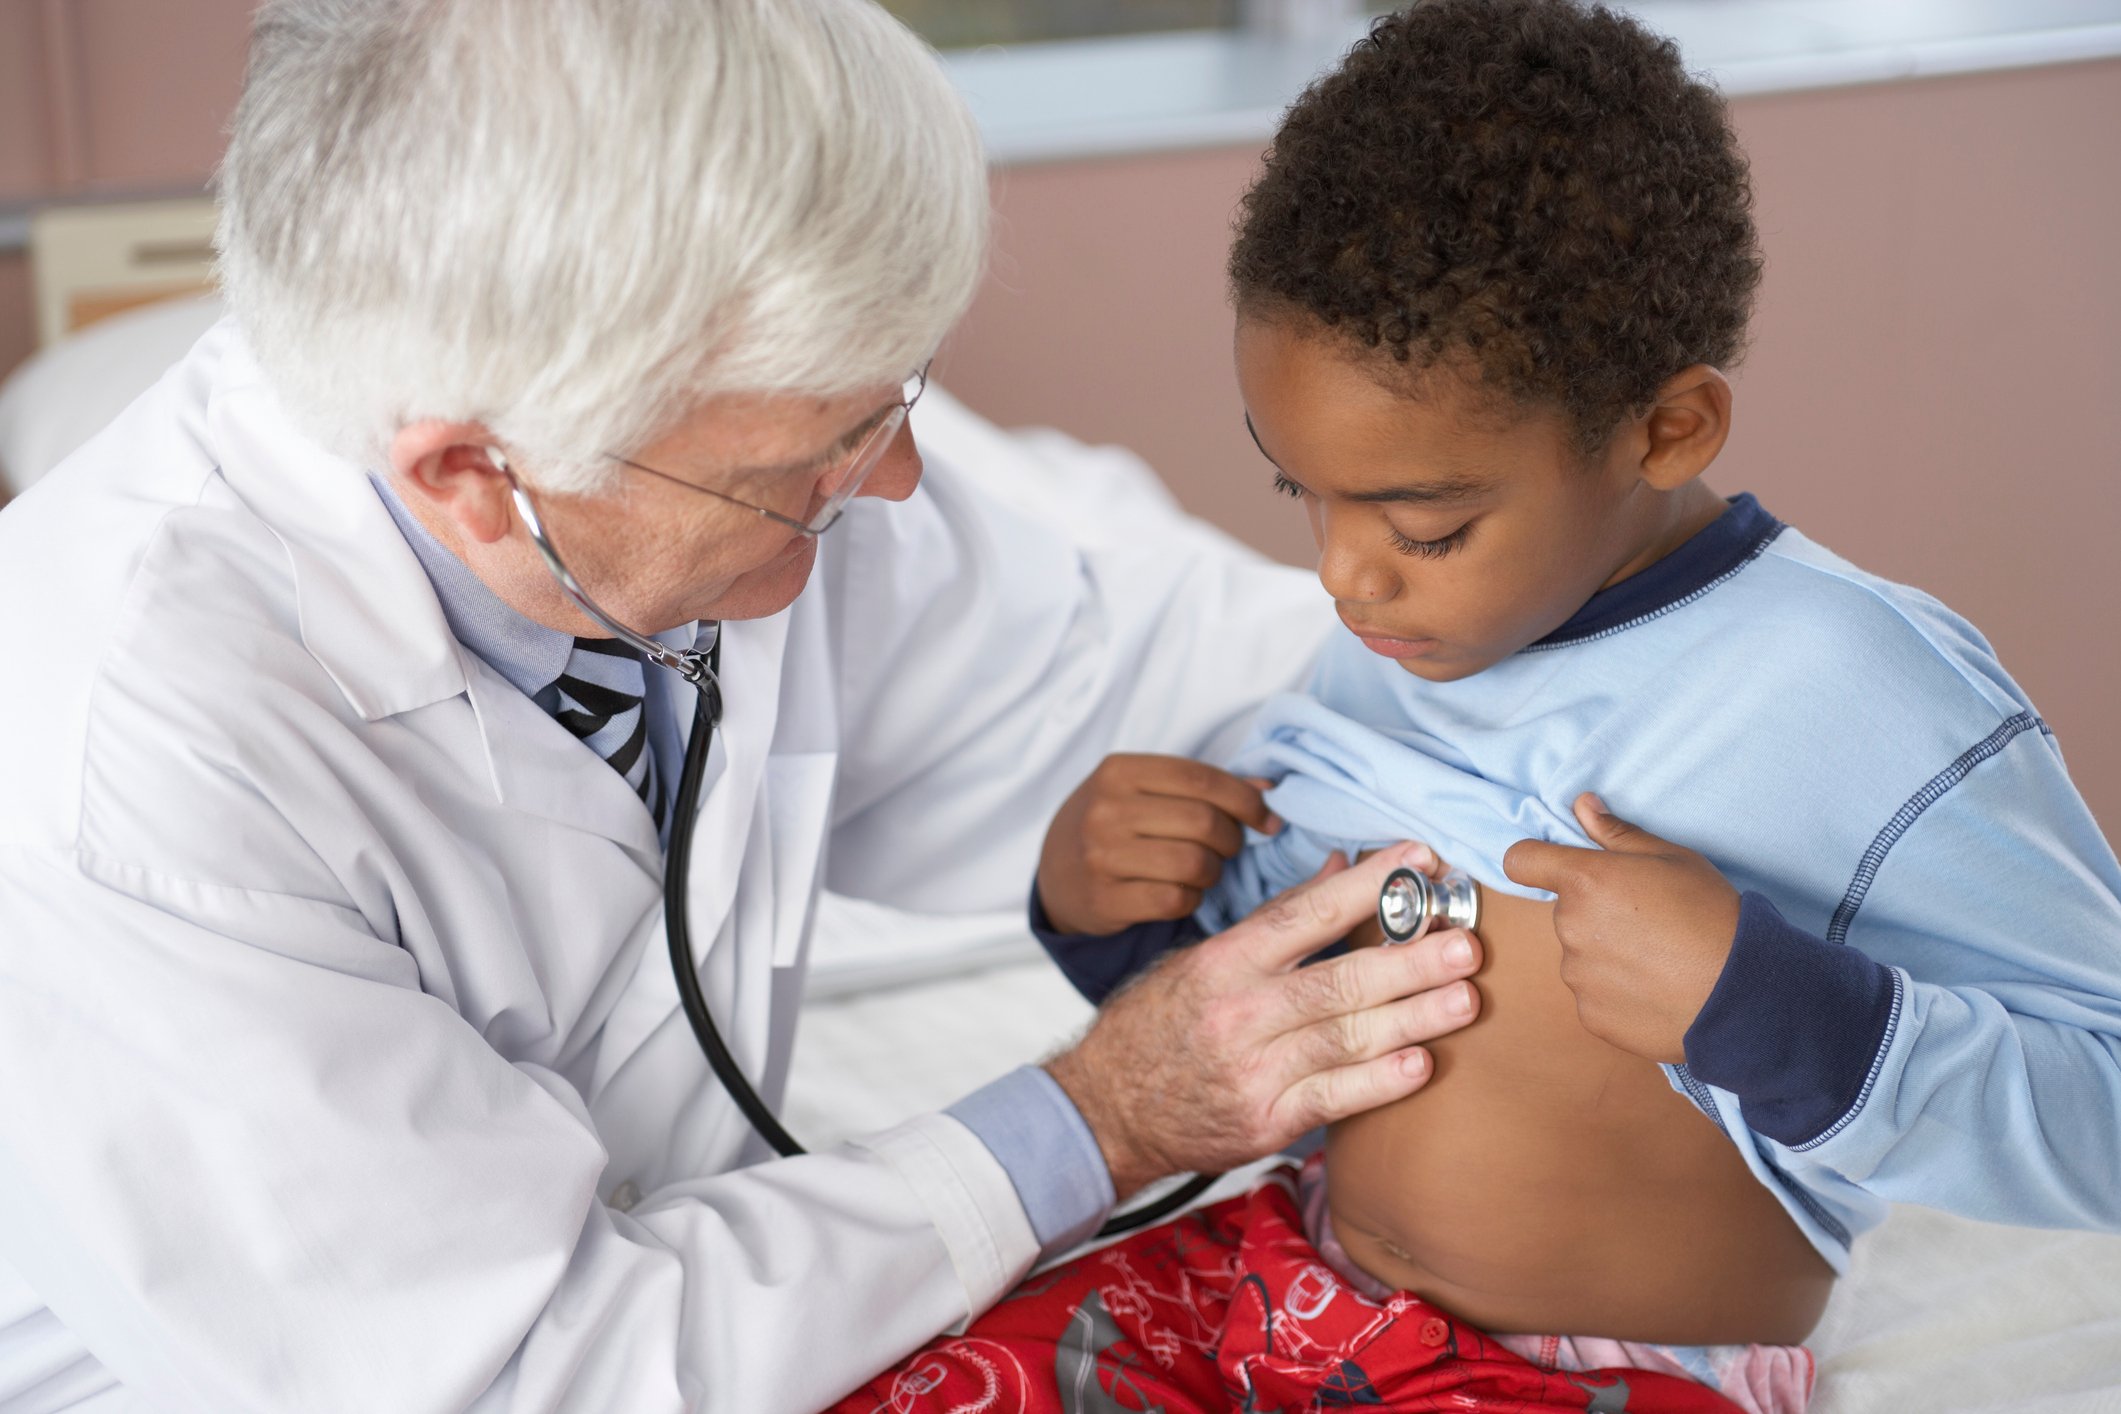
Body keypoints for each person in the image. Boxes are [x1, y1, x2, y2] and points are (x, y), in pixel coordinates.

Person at [0, 2, 1494, 1410]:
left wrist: (1590, 658)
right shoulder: (115, 769)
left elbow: (1178, 657)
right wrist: (1101, 1116)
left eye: (890, 402)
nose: (892, 482)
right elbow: (521, 1370)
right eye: (816, 462)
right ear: (475, 475)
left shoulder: (720, 464)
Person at [839, 3, 2121, 1411]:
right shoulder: (1402, 642)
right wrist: (1118, 914)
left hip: (1584, 1371)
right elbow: (1292, 1007)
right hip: (1271, 1271)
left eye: (1426, 524)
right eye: (1300, 493)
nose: (1341, 576)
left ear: (1667, 428)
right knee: (890, 1376)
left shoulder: (1859, 698)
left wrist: (1772, 1005)